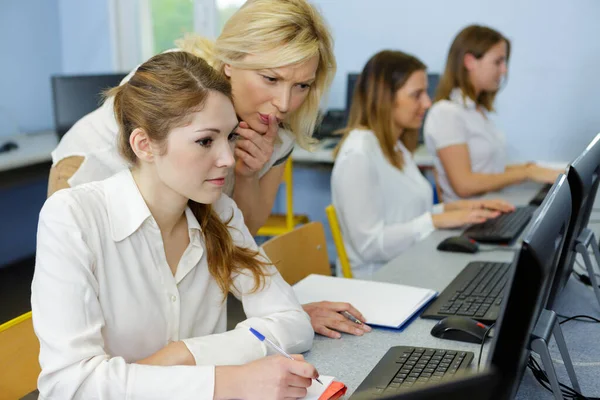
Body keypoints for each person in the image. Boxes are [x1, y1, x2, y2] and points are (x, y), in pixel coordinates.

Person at [47, 0, 368, 339]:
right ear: (230, 62)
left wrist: (246, 174)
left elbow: (238, 231)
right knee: (118, 316)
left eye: (302, 85)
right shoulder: (181, 83)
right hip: (96, 168)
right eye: (270, 78)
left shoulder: (278, 134)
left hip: (173, 202)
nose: (285, 103)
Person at [32, 51, 319, 400]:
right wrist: (228, 381)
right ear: (144, 145)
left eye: (230, 137)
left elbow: (292, 321)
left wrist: (183, 354)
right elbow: (70, 386)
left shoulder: (221, 213)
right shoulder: (72, 217)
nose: (228, 159)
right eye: (205, 141)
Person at [331, 50, 513, 278]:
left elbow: (406, 214)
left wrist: (461, 209)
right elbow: (369, 246)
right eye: (416, 94)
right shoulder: (358, 154)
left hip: (411, 265)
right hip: (379, 283)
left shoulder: (395, 146)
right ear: (385, 97)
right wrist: (435, 220)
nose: (427, 102)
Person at [424, 25, 561, 203]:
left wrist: (530, 168)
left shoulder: (476, 111)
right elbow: (464, 185)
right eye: (497, 62)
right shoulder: (446, 113)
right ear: (469, 62)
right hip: (469, 220)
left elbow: (489, 172)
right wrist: (527, 173)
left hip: (492, 209)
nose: (504, 70)